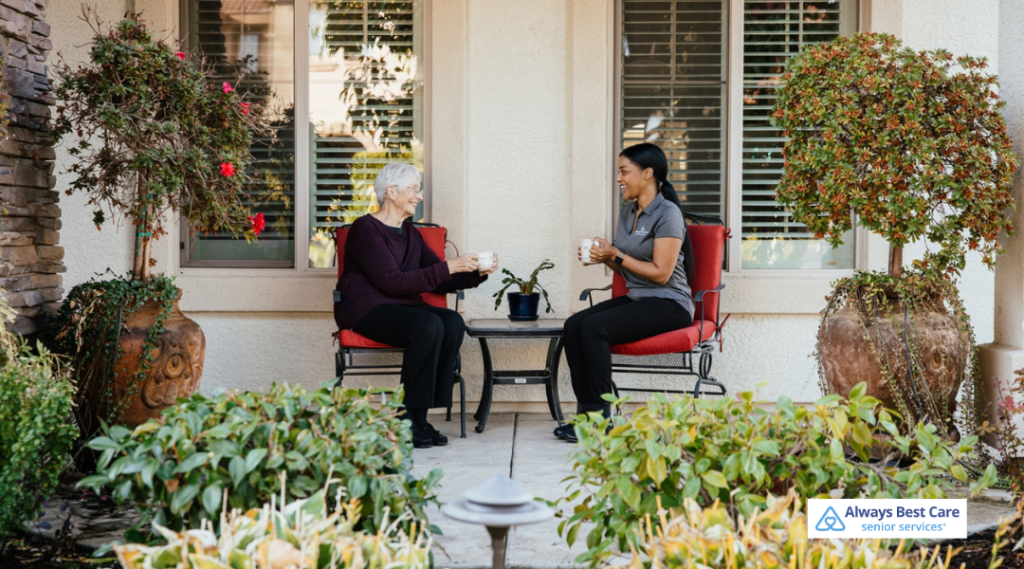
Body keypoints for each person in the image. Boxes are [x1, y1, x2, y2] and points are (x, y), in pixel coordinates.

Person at [335, 163, 498, 449]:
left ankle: (420, 418)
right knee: (427, 325)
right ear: (391, 192)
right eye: (414, 189)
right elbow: (392, 282)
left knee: (452, 322)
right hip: (366, 309)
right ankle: (407, 418)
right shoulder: (365, 229)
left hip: (402, 308)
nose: (419, 196)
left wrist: (476, 274)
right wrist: (450, 266)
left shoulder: (410, 233)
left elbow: (440, 279)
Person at [555, 143, 694, 443]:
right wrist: (603, 257)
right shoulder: (628, 211)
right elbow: (626, 268)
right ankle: (587, 418)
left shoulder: (667, 213)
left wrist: (615, 254)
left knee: (594, 327)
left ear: (647, 173)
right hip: (639, 298)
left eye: (624, 172)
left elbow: (661, 273)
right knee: (573, 325)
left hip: (671, 303)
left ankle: (601, 421)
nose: (619, 178)